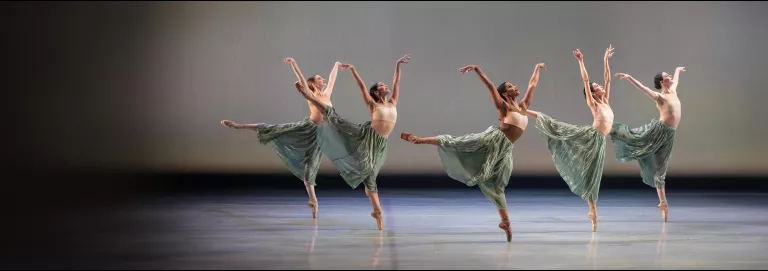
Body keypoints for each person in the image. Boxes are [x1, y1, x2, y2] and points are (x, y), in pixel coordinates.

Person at [400, 62, 546, 242]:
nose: (515, 87)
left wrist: (537, 68)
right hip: (492, 139)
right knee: (459, 143)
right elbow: (490, 86)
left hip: (505, 149)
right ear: (505, 94)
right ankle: (419, 140)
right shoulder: (503, 106)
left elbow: (532, 84)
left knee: (498, 184)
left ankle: (505, 222)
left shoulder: (523, 106)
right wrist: (477, 70)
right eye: (510, 86)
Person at [287, 55, 410, 230]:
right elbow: (361, 86)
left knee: (371, 176)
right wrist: (353, 70)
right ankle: (379, 211)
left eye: (385, 84)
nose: (386, 86)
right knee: (338, 122)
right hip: (367, 137)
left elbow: (397, 83)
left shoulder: (392, 103)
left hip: (381, 144)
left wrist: (398, 65)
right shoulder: (373, 105)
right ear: (375, 92)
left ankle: (376, 211)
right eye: (382, 85)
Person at [220, 61, 341, 219]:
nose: (323, 79)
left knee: (310, 167)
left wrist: (336, 65)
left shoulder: (327, 94)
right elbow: (301, 82)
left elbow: (332, 79)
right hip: (307, 127)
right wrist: (294, 64)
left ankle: (313, 200)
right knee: (275, 129)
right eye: (319, 78)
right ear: (313, 83)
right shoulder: (311, 95)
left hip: (320, 134)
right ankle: (238, 125)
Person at [526, 45, 615, 232]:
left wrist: (606, 60)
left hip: (599, 142)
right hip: (589, 136)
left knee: (592, 174)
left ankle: (592, 211)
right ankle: (526, 112)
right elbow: (586, 79)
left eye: (599, 86)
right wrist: (581, 61)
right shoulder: (594, 104)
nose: (600, 86)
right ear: (591, 93)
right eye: (596, 87)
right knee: (558, 128)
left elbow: (607, 78)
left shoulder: (606, 101)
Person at [612, 66, 685, 222]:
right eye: (667, 75)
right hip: (658, 131)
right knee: (637, 139)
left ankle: (663, 203)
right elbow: (643, 88)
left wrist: (678, 70)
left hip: (670, 135)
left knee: (661, 168)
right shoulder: (660, 97)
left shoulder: (673, 91)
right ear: (661, 81)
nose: (671, 76)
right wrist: (629, 76)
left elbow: (676, 80)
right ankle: (615, 131)